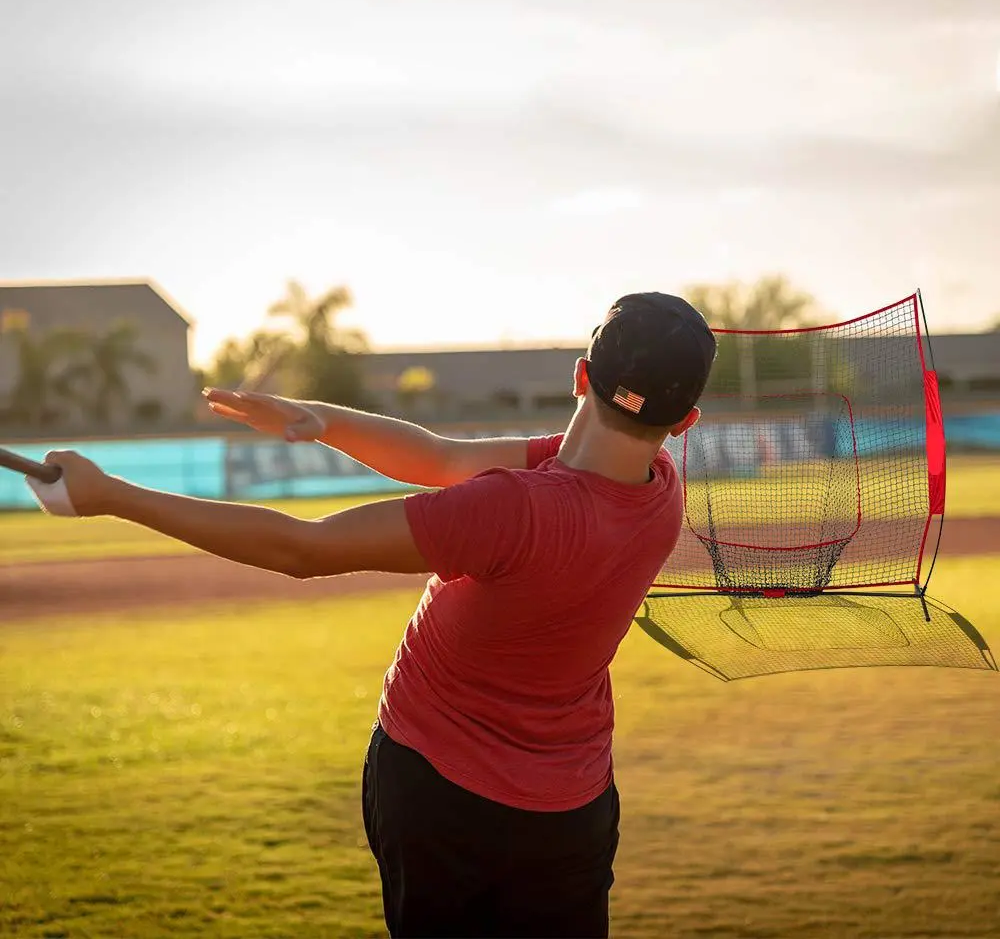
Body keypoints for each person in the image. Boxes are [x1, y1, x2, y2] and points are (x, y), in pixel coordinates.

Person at [39, 292, 716, 938]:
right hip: (572, 809)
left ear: (579, 376)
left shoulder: (514, 508)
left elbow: (301, 547)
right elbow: (441, 458)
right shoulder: (661, 491)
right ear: (684, 421)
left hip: (441, 794)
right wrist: (320, 420)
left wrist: (112, 495)